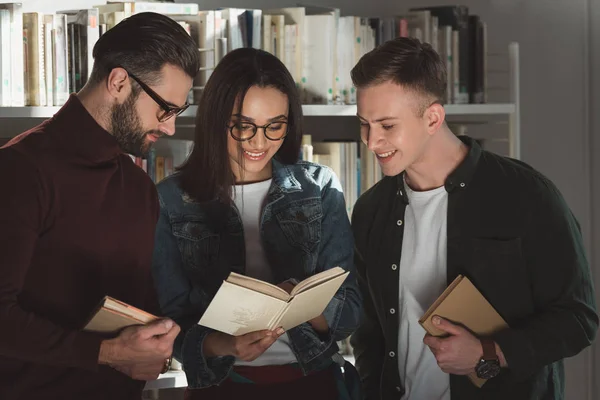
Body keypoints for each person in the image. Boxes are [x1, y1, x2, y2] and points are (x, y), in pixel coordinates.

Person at [349, 37, 598, 400]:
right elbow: (369, 334)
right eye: (364, 124)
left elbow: (578, 319)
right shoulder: (370, 210)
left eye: (387, 126)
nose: (371, 142)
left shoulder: (529, 196)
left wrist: (488, 353)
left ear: (433, 118)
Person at [0, 12, 200, 400]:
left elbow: (138, 313)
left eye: (178, 112)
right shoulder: (19, 170)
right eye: (165, 109)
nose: (171, 127)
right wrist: (106, 353)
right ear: (119, 82)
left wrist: (160, 338)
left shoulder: (141, 189)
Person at [151, 47, 362, 400]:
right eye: (242, 126)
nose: (259, 142)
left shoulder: (319, 187)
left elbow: (352, 314)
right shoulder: (171, 199)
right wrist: (224, 344)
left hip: (313, 383)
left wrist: (304, 304)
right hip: (224, 389)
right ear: (217, 119)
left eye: (274, 126)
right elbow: (170, 326)